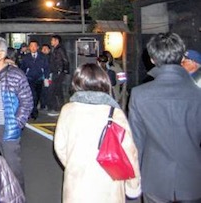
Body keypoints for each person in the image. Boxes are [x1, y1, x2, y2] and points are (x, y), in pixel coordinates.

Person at [129, 33, 201, 203]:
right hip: (193, 178)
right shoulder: (197, 94)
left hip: (155, 179)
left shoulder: (139, 95)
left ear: (153, 59)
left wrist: (132, 184)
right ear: (182, 56)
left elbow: (136, 144)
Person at [54, 63, 141, 202]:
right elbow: (129, 152)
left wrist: (74, 164)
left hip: (77, 182)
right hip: (109, 180)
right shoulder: (115, 113)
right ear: (104, 82)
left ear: (76, 83)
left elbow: (60, 147)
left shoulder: (68, 110)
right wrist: (132, 186)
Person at [0, 36, 33, 189]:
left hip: (9, 128)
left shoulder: (16, 75)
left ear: (2, 54)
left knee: (13, 169)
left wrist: (17, 123)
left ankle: (17, 197)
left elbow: (27, 102)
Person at [19, 40, 49, 119]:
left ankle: (34, 108)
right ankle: (33, 111)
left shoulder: (42, 56)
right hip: (29, 79)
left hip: (39, 79)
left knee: (38, 95)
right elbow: (23, 68)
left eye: (34, 46)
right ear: (29, 47)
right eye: (31, 46)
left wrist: (46, 77)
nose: (33, 48)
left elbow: (46, 67)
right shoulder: (26, 57)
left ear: (37, 47)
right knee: (32, 95)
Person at [47, 34, 70, 116]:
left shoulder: (59, 49)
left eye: (52, 40)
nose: (51, 42)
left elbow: (65, 60)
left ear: (56, 41)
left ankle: (56, 108)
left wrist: (61, 70)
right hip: (57, 72)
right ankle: (61, 108)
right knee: (58, 91)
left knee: (53, 90)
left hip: (58, 72)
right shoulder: (56, 49)